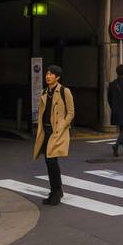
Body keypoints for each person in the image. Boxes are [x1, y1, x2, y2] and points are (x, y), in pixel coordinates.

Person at [32, 65, 75, 205]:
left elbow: (71, 112)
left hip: (58, 132)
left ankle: (55, 192)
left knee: (52, 161)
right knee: (49, 162)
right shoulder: (44, 92)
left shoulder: (64, 91)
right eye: (47, 74)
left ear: (57, 77)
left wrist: (63, 126)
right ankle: (57, 190)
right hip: (46, 132)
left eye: (51, 74)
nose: (47, 76)